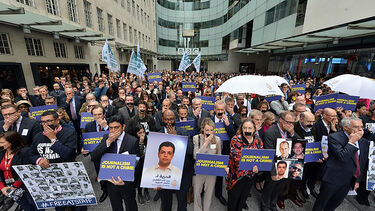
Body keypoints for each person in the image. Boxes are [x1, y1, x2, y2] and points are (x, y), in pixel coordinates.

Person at [312, 117, 369, 211]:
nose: (360, 130)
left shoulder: (364, 142)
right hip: (333, 178)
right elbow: (342, 157)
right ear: (346, 127)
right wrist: (351, 142)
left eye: (361, 127)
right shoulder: (334, 137)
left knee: (334, 204)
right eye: (356, 127)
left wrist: (357, 180)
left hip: (348, 180)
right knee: (321, 202)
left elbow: (361, 162)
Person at [30, 110, 81, 211]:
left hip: (69, 175)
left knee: (77, 205)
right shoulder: (38, 136)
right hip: (50, 177)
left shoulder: (69, 133)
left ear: (57, 120)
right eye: (43, 122)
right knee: (59, 206)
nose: (45, 124)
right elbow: (31, 153)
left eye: (49, 121)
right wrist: (39, 160)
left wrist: (53, 139)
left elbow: (67, 154)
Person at [91, 115, 139, 211]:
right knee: (116, 206)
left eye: (116, 127)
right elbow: (94, 156)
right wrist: (108, 142)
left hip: (126, 183)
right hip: (110, 182)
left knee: (131, 205)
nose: (113, 131)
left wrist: (125, 181)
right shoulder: (106, 137)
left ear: (123, 127)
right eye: (111, 128)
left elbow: (136, 165)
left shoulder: (132, 141)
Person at [261, 111, 300, 211]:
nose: (290, 125)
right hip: (273, 167)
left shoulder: (291, 132)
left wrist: (292, 133)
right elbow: (268, 155)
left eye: (292, 123)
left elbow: (300, 144)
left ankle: (273, 204)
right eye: (288, 122)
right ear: (281, 120)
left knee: (279, 188)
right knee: (269, 188)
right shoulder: (270, 133)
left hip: (287, 167)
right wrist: (273, 173)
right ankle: (265, 205)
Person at [157, 109, 193, 211]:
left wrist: (176, 138)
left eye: (171, 119)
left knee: (182, 204)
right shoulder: (157, 134)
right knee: (165, 204)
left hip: (182, 174)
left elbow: (190, 151)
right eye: (167, 119)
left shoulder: (184, 132)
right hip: (164, 175)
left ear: (175, 119)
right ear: (162, 119)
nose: (169, 122)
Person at [226, 119, 262, 211]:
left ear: (254, 129)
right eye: (245, 128)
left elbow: (261, 156)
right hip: (236, 175)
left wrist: (258, 166)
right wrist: (252, 164)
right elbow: (236, 157)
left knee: (243, 197)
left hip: (250, 175)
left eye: (250, 128)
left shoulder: (258, 140)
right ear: (241, 129)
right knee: (233, 199)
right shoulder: (236, 139)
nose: (247, 130)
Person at [0, 131, 38, 211]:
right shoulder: (1, 153)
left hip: (26, 187)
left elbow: (26, 171)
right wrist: (2, 187)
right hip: (8, 187)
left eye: (2, 142)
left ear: (11, 142)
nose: (0, 144)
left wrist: (14, 187)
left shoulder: (24, 152)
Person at [193, 118, 221, 211]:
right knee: (197, 192)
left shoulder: (217, 139)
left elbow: (219, 156)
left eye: (212, 130)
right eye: (207, 130)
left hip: (211, 171)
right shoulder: (197, 138)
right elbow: (196, 156)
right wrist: (205, 143)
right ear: (202, 129)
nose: (209, 132)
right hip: (199, 170)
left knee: (209, 194)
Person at [133, 124, 150, 204]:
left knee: (147, 177)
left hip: (147, 162)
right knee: (139, 178)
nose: (142, 134)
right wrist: (141, 142)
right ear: (136, 133)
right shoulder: (134, 141)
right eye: (140, 133)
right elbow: (138, 153)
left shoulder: (148, 138)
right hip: (139, 163)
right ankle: (139, 193)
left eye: (143, 132)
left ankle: (146, 190)